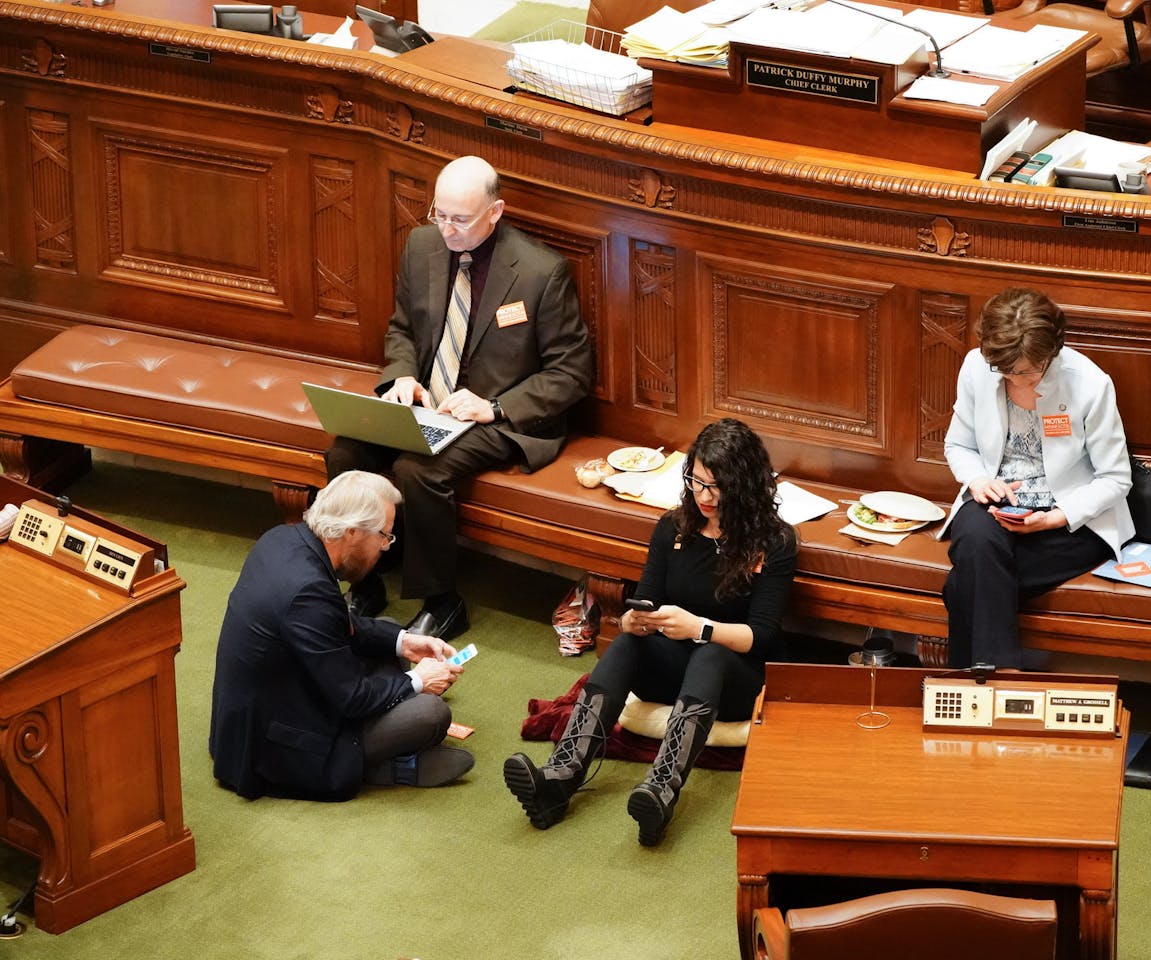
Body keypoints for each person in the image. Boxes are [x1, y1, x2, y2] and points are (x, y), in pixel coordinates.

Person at [327, 155, 593, 641]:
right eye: (440, 214)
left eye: (460, 219)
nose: (447, 229)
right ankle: (361, 578)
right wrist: (402, 378)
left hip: (500, 419)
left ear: (495, 211)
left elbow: (571, 373)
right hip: (430, 405)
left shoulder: (540, 272)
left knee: (418, 469)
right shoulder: (422, 245)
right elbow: (402, 328)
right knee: (347, 452)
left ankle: (442, 601)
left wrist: (494, 406)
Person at [503, 419, 797, 846]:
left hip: (737, 675)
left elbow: (764, 635)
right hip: (675, 662)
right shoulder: (673, 528)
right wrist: (633, 621)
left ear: (745, 485)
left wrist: (701, 628)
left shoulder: (776, 541)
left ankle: (660, 790)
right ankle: (560, 777)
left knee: (710, 653)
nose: (704, 496)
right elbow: (643, 602)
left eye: (717, 487)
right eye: (696, 482)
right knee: (625, 643)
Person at [210, 471, 473, 801]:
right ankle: (385, 767)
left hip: (270, 704)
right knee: (430, 714)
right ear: (351, 532)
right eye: (384, 536)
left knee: (388, 632)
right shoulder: (308, 593)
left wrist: (405, 641)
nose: (385, 546)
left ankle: (386, 747)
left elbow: (338, 624)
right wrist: (416, 681)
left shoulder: (282, 539)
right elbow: (353, 699)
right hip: (274, 747)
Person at [941, 288, 1133, 669]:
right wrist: (978, 480)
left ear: (1052, 352)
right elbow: (958, 445)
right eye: (1007, 371)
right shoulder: (977, 366)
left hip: (1069, 520)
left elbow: (1115, 478)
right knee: (977, 539)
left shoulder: (1090, 383)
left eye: (1028, 370)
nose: (1018, 379)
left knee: (968, 580)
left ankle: (974, 685)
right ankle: (1005, 681)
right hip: (996, 502)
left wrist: (1054, 517)